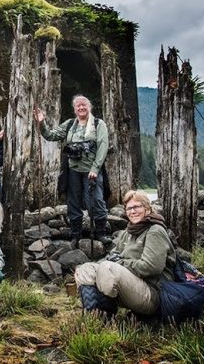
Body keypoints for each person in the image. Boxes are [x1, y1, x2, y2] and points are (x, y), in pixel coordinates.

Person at [74, 190, 175, 317]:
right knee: (86, 269)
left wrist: (121, 263)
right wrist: (95, 267)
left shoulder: (155, 231)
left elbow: (151, 267)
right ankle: (95, 315)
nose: (133, 211)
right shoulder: (128, 232)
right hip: (130, 288)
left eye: (137, 207)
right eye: (129, 208)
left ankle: (106, 311)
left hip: (152, 294)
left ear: (147, 208)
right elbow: (111, 256)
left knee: (108, 267)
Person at [34, 95, 109, 247]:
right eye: (78, 106)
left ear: (89, 107)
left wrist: (95, 168)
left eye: (84, 105)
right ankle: (76, 234)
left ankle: (101, 233)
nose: (81, 108)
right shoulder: (69, 125)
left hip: (91, 170)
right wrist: (41, 123)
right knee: (73, 203)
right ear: (74, 109)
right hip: (72, 170)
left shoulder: (98, 124)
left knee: (96, 201)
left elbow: (103, 146)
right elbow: (51, 135)